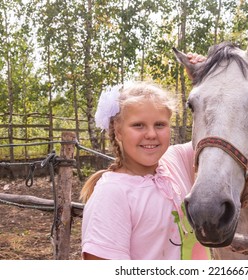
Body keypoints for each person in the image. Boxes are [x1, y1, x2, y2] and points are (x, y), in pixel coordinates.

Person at [80, 54, 207, 260]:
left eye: (160, 125)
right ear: (118, 131)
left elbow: (221, 136)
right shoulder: (112, 194)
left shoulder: (176, 161)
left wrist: (206, 75)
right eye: (138, 125)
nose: (151, 134)